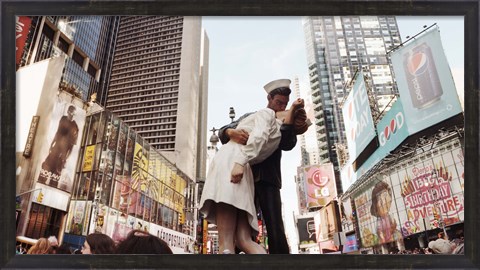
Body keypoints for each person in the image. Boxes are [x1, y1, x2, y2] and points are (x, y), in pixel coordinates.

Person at [200, 78, 307, 254]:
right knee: (242, 234)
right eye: (279, 102)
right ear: (269, 98)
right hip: (243, 170)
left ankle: (278, 261)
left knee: (272, 224)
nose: (281, 107)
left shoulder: (283, 123)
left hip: (262, 175)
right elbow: (226, 129)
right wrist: (229, 132)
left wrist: (291, 119)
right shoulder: (259, 114)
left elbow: (286, 142)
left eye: (285, 104)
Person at [38, 105, 79, 188]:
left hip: (62, 156)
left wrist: (66, 159)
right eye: (71, 113)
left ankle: (51, 191)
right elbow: (57, 132)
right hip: (55, 150)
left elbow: (72, 147)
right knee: (45, 169)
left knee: (55, 176)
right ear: (68, 112)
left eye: (74, 114)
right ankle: (40, 185)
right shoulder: (63, 119)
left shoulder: (75, 127)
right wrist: (51, 144)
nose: (72, 115)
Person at [370, 180, 401, 245]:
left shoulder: (391, 216)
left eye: (387, 196)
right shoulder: (380, 222)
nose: (386, 201)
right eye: (381, 201)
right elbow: (380, 235)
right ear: (376, 207)